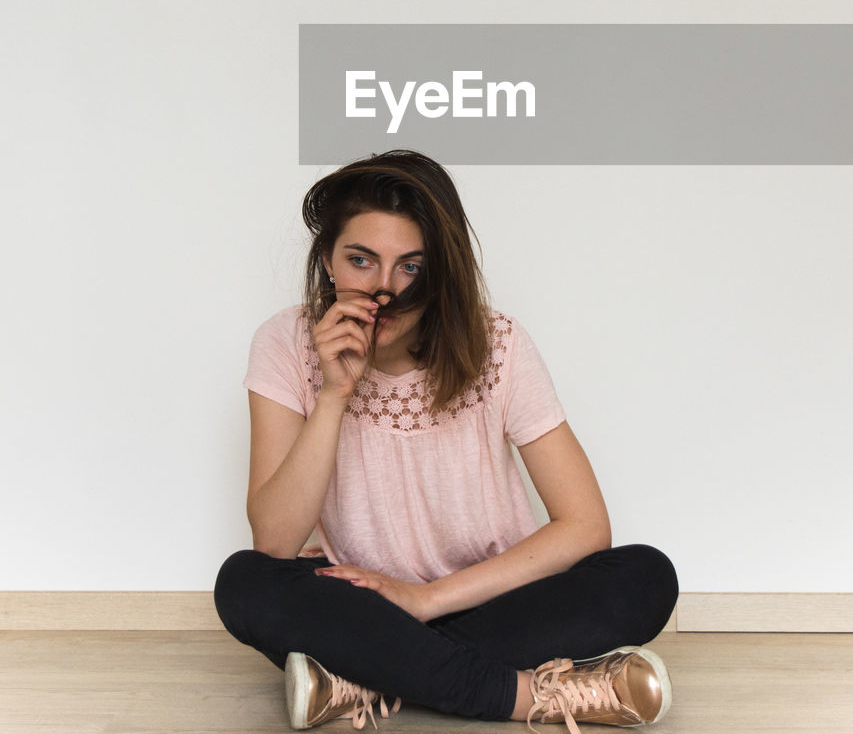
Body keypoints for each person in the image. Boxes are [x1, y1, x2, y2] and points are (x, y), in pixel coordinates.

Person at [214, 151, 678, 731]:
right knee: (245, 582)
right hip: (362, 605)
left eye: (411, 267)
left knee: (645, 575)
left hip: (485, 597)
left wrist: (427, 601)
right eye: (361, 260)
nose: (383, 289)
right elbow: (276, 541)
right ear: (328, 261)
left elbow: (585, 525)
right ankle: (530, 697)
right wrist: (333, 394)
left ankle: (361, 678)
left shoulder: (499, 343)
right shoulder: (285, 342)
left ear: (439, 275)